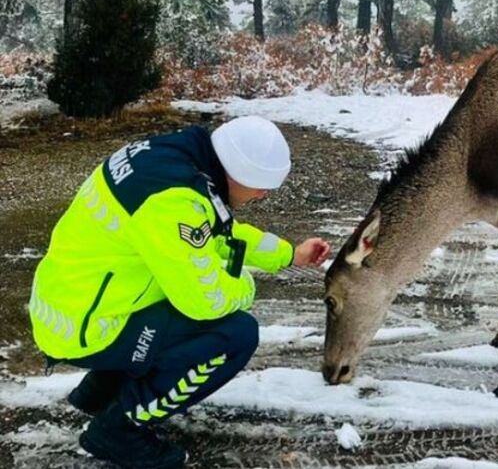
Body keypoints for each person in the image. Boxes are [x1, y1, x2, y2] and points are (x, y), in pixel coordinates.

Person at [29, 116, 331, 468]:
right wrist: (245, 286)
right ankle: (119, 430)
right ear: (240, 172)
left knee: (174, 295)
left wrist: (289, 254)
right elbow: (205, 300)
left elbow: (218, 233)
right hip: (88, 328)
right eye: (261, 186)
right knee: (234, 334)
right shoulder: (173, 203)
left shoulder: (173, 162)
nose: (263, 195)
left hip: (73, 304)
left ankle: (98, 393)